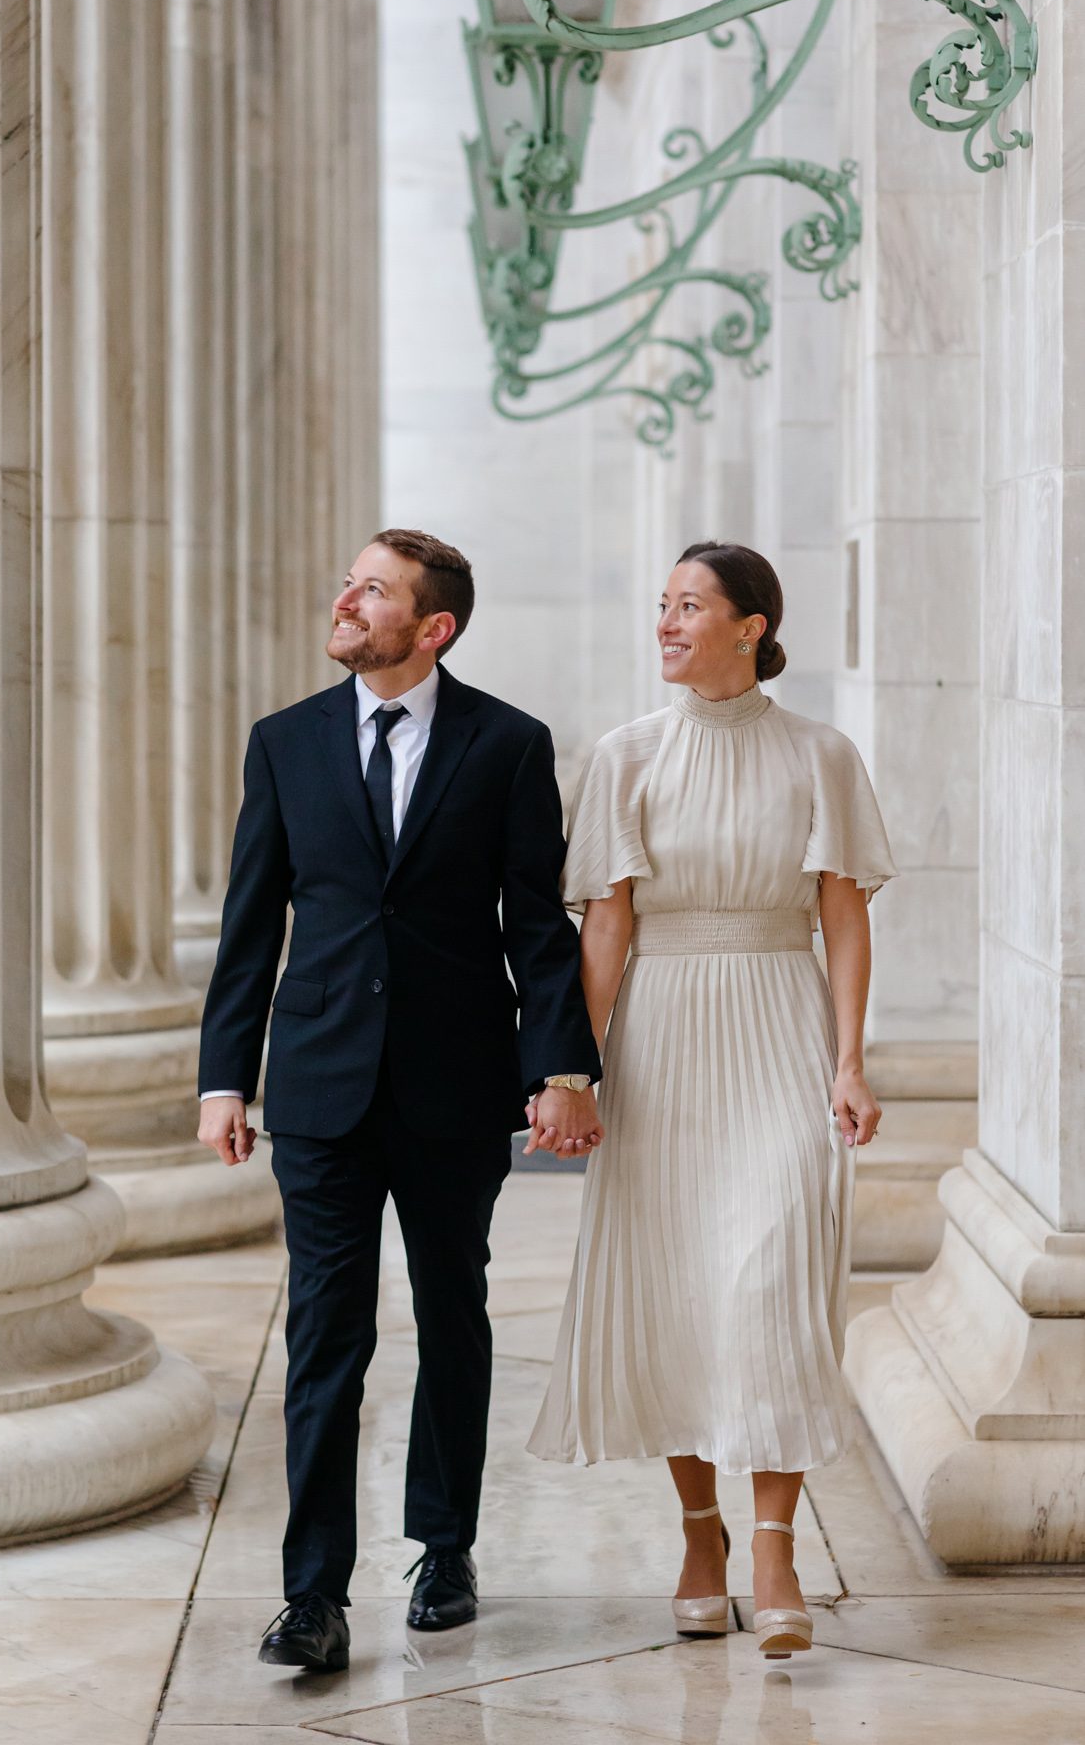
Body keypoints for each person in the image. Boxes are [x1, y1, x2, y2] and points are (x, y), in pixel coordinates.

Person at [198, 528, 600, 1673]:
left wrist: (555, 1067)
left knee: (451, 1316)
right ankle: (313, 1590)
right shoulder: (285, 742)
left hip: (453, 1085)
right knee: (325, 1333)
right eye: (349, 581)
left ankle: (446, 1544)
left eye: (370, 589)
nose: (344, 599)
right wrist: (225, 1075)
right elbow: (249, 922)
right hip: (319, 1085)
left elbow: (535, 921)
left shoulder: (508, 743)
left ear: (433, 627)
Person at [526, 540, 895, 1661]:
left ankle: (775, 1543)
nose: (667, 623)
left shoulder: (819, 754)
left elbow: (840, 916)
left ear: (751, 623)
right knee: (677, 1283)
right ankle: (701, 1536)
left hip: (778, 1018)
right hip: (666, 1029)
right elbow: (605, 926)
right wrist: (572, 1070)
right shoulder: (627, 755)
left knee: (774, 1272)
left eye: (691, 606)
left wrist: (847, 1060)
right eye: (661, 605)